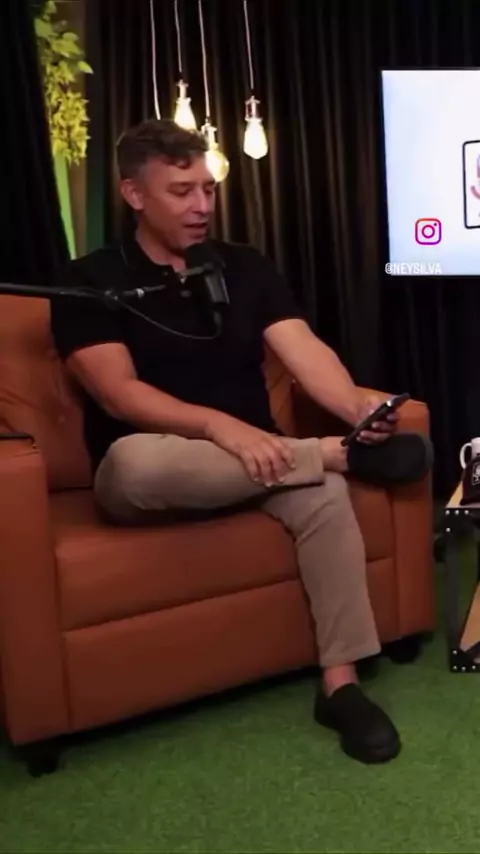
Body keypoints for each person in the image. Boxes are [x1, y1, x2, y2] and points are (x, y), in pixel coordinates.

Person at [50, 119, 430, 765]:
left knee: (324, 493)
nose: (202, 205)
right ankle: (334, 454)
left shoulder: (245, 265)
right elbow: (118, 394)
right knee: (139, 461)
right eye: (181, 191)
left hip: (266, 462)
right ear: (134, 194)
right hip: (157, 467)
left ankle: (340, 684)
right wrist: (218, 426)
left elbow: (301, 347)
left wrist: (355, 407)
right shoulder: (89, 279)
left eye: (208, 188)